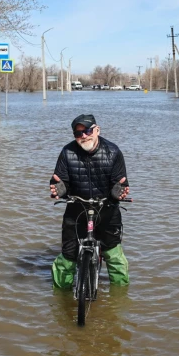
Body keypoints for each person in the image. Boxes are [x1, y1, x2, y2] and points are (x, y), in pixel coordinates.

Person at [49, 114, 130, 288]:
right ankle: (62, 301)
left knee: (114, 257)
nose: (84, 136)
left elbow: (121, 183)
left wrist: (118, 193)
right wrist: (59, 189)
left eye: (87, 131)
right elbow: (59, 181)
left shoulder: (113, 152)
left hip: (107, 210)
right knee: (67, 258)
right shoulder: (66, 152)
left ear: (97, 130)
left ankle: (120, 299)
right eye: (78, 133)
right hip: (76, 210)